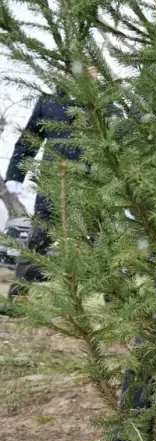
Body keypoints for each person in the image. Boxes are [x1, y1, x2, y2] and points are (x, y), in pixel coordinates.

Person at [3, 68, 99, 298]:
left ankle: (116, 302)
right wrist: (15, 175)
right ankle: (19, 297)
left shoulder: (102, 103)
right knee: (37, 242)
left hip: (92, 188)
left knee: (100, 242)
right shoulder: (49, 103)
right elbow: (28, 141)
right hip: (53, 187)